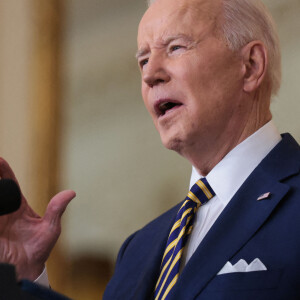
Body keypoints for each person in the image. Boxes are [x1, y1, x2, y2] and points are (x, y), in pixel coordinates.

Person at [0, 0, 299, 299]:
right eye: (143, 60)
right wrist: (26, 276)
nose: (149, 74)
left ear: (250, 66)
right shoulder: (138, 249)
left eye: (175, 48)